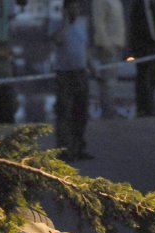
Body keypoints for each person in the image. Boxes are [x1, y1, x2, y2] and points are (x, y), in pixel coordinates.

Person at [51, 0, 93, 161]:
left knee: (80, 113)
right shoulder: (58, 25)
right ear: (66, 9)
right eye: (72, 7)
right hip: (64, 75)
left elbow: (85, 47)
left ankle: (79, 147)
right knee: (64, 113)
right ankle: (63, 150)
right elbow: (57, 40)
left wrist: (91, 65)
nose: (75, 9)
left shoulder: (82, 25)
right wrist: (65, 23)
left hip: (81, 73)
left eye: (77, 6)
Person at [128, 0, 155, 117]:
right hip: (143, 47)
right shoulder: (139, 5)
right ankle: (144, 108)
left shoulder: (150, 4)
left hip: (153, 45)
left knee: (152, 78)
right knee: (144, 78)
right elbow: (138, 28)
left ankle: (150, 107)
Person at [91, 0, 126, 119]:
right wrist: (106, 44)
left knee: (112, 81)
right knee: (107, 83)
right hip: (108, 46)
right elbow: (98, 22)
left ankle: (110, 110)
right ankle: (108, 112)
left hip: (116, 45)